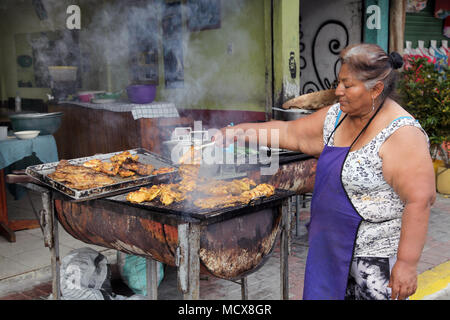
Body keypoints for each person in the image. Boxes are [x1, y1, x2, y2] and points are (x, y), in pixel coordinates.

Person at [213, 43, 436, 300]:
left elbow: (420, 200)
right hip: (328, 251)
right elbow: (290, 133)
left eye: (347, 85)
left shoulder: (402, 134)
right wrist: (237, 132)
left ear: (375, 89)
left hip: (374, 263)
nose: (338, 91)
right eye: (338, 82)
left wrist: (407, 264)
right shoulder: (337, 116)